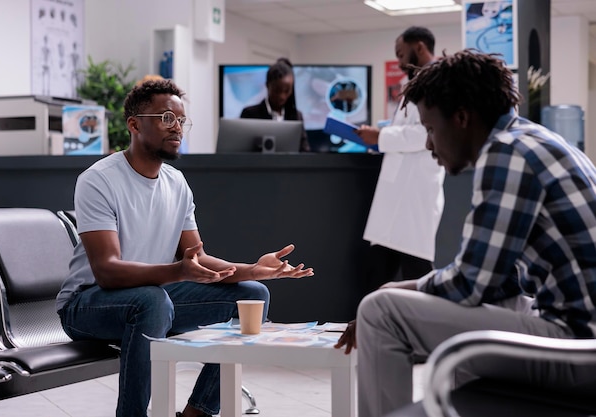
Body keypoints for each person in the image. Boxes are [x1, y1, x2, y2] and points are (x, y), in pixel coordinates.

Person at [335, 49, 596, 417]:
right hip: (584, 338)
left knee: (380, 309)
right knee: (474, 306)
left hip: (577, 348)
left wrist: (395, 288)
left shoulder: (507, 153)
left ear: (460, 118)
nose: (428, 145)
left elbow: (470, 283)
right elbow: (497, 284)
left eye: (429, 129)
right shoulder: (537, 140)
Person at [56, 79, 314, 417]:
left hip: (154, 297)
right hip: (88, 304)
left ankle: (198, 412)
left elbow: (197, 258)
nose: (177, 127)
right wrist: (178, 271)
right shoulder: (99, 179)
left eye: (180, 120)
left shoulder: (176, 183)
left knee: (252, 294)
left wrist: (253, 269)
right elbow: (107, 271)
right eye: (166, 118)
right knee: (152, 300)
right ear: (134, 124)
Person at [355, 26, 445, 294]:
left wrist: (381, 136)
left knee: (415, 271)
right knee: (378, 272)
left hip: (416, 193)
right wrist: (379, 137)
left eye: (401, 53)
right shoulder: (418, 82)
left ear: (418, 47)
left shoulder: (436, 80)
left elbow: (425, 133)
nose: (399, 61)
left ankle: (421, 331)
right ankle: (368, 330)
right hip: (398, 195)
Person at [240, 57, 310, 152]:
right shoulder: (250, 114)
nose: (282, 96)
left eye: (287, 91)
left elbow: (305, 152)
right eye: (277, 90)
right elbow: (242, 153)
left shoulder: (296, 116)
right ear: (267, 85)